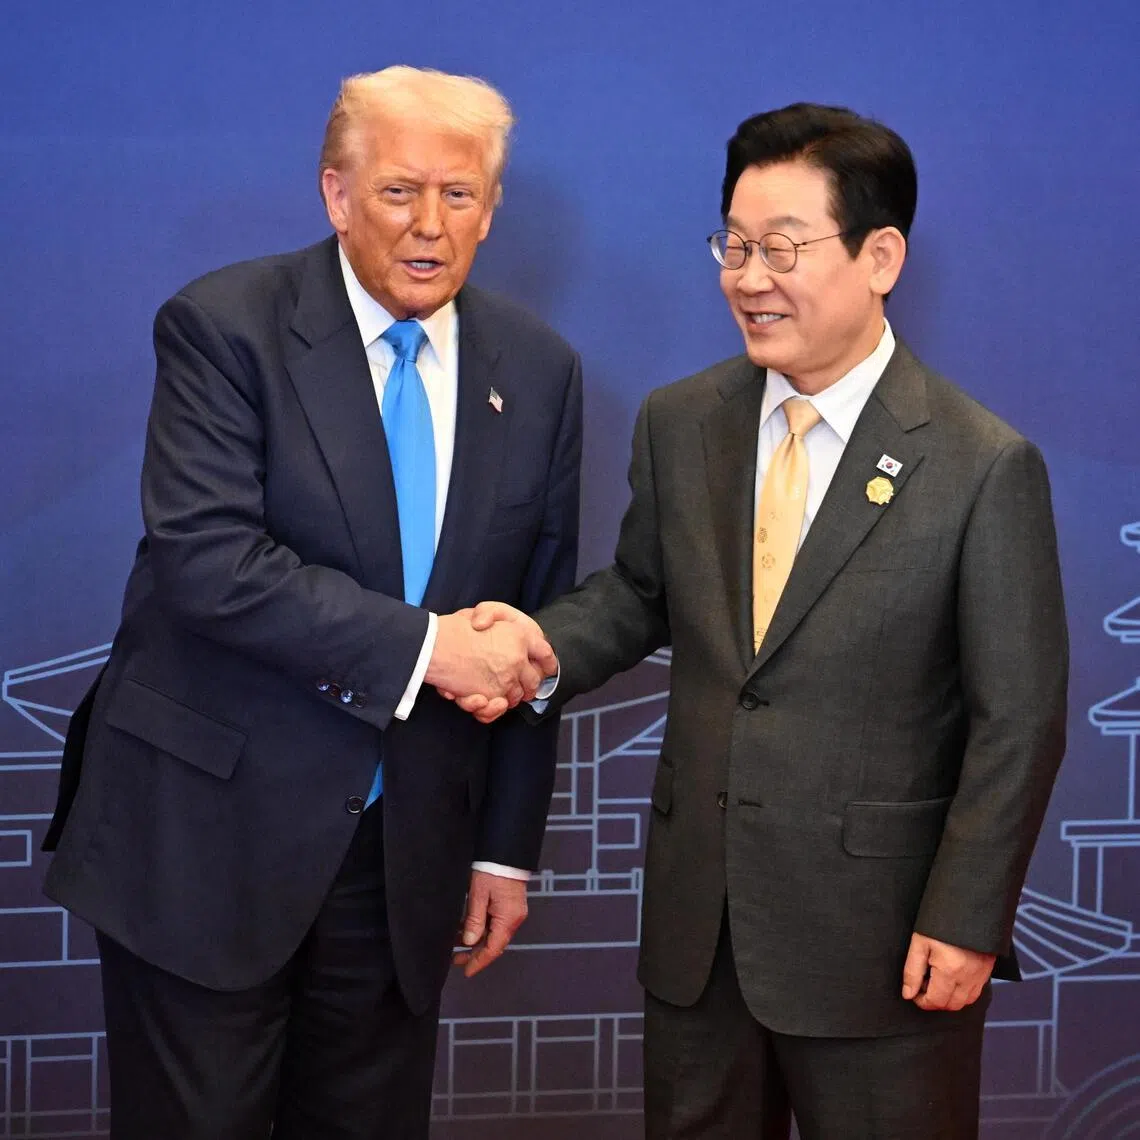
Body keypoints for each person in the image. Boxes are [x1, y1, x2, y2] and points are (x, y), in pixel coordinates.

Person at [458, 103, 1068, 1139]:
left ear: (881, 257)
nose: (748, 277)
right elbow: (643, 594)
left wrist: (966, 920)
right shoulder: (682, 420)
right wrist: (534, 649)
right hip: (703, 938)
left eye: (782, 248)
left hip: (882, 951)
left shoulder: (979, 463)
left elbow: (1018, 719)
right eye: (733, 246)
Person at [41, 65, 581, 1140]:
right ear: (336, 195)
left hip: (401, 869)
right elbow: (210, 564)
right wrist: (429, 649)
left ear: (492, 207)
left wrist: (503, 848)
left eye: (460, 195)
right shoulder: (224, 328)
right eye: (397, 192)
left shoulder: (540, 367)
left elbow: (532, 621)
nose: (430, 226)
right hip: (206, 843)